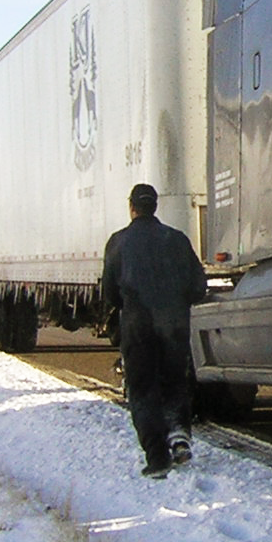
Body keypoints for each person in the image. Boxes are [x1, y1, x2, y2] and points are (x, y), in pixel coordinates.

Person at [102, 183, 207, 478]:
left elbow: (109, 293)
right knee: (175, 382)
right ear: (155, 206)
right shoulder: (177, 239)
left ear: (132, 207)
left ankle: (157, 456)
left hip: (137, 328)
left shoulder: (118, 243)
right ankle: (179, 435)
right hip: (173, 326)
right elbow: (199, 286)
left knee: (143, 389)